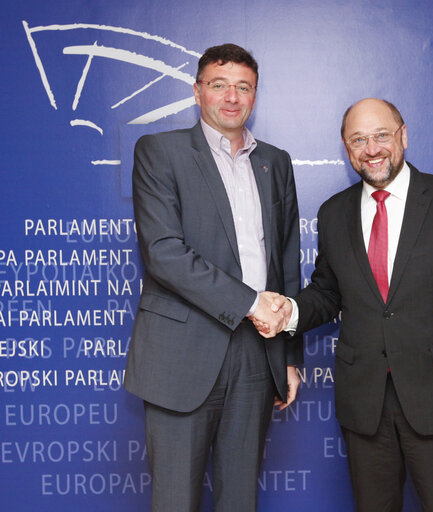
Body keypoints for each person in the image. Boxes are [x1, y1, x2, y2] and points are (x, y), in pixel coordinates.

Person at [258, 98, 433, 511]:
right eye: (358, 139)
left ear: (403, 137)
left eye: (381, 136)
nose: (371, 149)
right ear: (346, 148)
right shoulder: (334, 213)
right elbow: (327, 292)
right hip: (366, 407)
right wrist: (291, 311)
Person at [124, 43, 301, 512]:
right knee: (176, 501)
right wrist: (250, 301)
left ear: (255, 96)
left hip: (257, 351)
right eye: (218, 85)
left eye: (243, 87)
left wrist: (288, 352)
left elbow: (286, 259)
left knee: (240, 498)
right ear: (197, 92)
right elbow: (163, 253)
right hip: (182, 353)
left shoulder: (276, 162)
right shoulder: (159, 152)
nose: (231, 97)